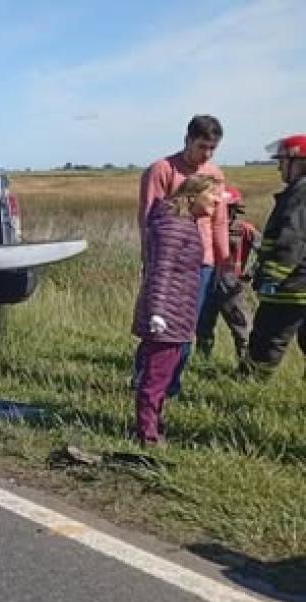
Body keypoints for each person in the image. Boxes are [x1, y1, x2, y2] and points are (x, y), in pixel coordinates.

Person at [134, 115, 231, 396]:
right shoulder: (162, 170)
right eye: (202, 146)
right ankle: (144, 382)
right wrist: (150, 263)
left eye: (213, 148)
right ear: (187, 140)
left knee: (187, 330)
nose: (207, 154)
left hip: (203, 263)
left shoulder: (215, 174)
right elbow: (149, 219)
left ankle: (170, 386)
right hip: (168, 260)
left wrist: (225, 262)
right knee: (160, 329)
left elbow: (219, 222)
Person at [133, 174, 221, 445]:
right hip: (168, 314)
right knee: (156, 377)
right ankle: (147, 435)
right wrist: (157, 312)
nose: (218, 200)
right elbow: (162, 270)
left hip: (176, 312)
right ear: (192, 196)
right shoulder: (174, 226)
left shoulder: (183, 224)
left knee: (163, 374)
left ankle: (153, 426)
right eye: (212, 194)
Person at [241, 134, 306, 379]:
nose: (279, 167)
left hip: (291, 288)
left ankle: (250, 388)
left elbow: (291, 242)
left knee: (266, 342)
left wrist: (269, 278)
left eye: (282, 162)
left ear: (298, 162)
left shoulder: (300, 194)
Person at [195, 186, 261, 362]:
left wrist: (251, 272)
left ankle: (245, 367)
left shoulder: (244, 229)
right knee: (203, 328)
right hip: (206, 284)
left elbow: (266, 250)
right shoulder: (203, 228)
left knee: (242, 328)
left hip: (231, 287)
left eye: (227, 209)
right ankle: (201, 364)